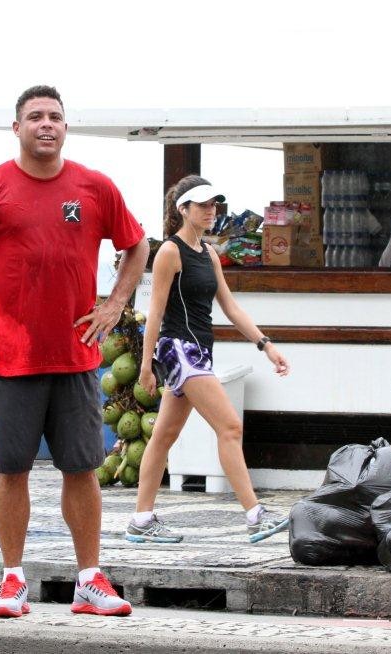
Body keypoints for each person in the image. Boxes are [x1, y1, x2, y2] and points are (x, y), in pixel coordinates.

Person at [0, 85, 149, 619]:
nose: (45, 124)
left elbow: (137, 244)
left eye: (54, 117)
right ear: (17, 128)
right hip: (12, 357)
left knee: (82, 468)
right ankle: (12, 581)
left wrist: (115, 302)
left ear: (65, 127)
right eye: (35, 117)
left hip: (76, 356)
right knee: (12, 470)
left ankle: (90, 581)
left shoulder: (95, 187)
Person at [125, 175, 291, 546]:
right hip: (178, 349)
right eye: (202, 205)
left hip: (199, 350)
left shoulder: (209, 253)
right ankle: (255, 515)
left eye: (214, 204)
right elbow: (155, 311)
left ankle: (141, 519)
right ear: (182, 209)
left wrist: (266, 344)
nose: (210, 210)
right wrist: (146, 365)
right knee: (230, 426)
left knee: (164, 436)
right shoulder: (170, 251)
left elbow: (230, 307)